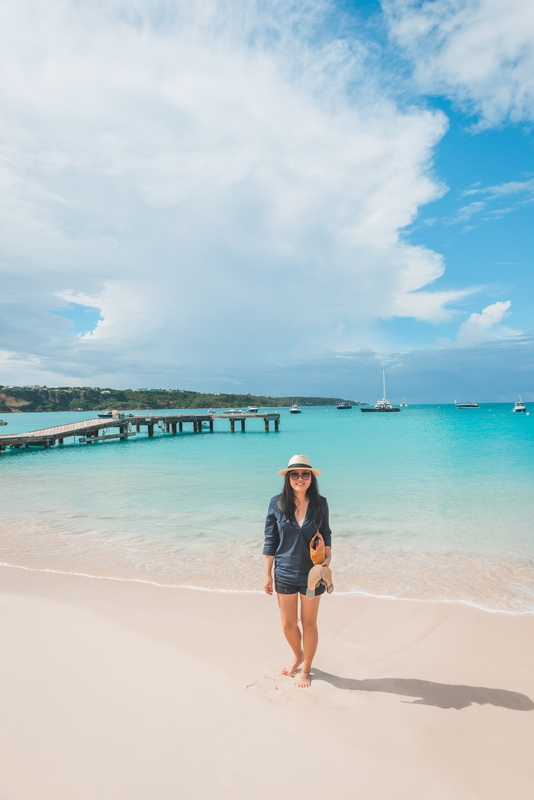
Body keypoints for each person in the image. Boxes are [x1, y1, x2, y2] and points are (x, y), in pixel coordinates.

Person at [263, 454, 332, 688]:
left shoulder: (320, 503)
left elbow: (327, 532)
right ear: (288, 478)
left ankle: (307, 668)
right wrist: (266, 574)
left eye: (305, 474)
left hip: (313, 573)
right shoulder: (276, 503)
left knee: (309, 623)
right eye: (295, 474)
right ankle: (298, 655)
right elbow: (270, 540)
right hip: (284, 571)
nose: (300, 478)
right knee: (288, 624)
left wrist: (328, 555)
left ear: (311, 478)